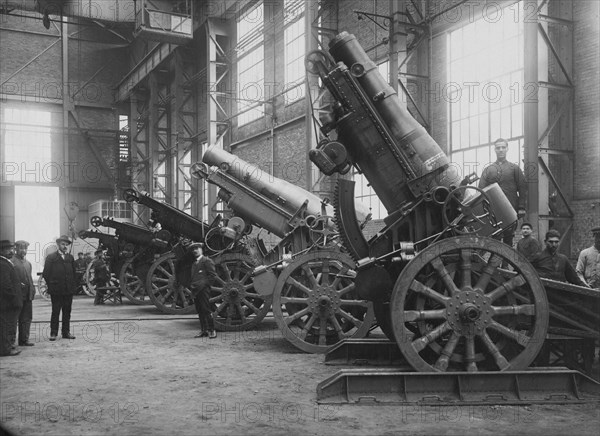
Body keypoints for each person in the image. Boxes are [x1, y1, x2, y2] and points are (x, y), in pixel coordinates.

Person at [478, 138, 528, 247]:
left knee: (508, 238)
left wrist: (521, 207)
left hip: (510, 209)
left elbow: (523, 188)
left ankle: (505, 265)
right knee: (495, 239)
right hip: (493, 212)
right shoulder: (488, 170)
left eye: (503, 147)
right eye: (498, 148)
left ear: (507, 149)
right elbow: (481, 190)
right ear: (494, 150)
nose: (501, 150)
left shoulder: (514, 168)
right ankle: (494, 264)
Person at [42, 235, 77, 341]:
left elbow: (74, 273)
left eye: (66, 244)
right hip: (56, 291)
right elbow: (46, 274)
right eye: (63, 244)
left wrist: (71, 286)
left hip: (68, 291)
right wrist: (53, 285)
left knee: (67, 312)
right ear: (58, 245)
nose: (65, 246)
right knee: (55, 311)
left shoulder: (70, 258)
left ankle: (66, 332)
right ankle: (53, 333)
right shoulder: (51, 257)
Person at [189, 242, 217, 339]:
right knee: (200, 310)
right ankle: (204, 330)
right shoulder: (194, 263)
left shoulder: (207, 261)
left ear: (201, 250)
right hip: (196, 291)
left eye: (197, 248)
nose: (195, 251)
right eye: (193, 249)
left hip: (203, 290)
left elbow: (212, 276)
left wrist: (205, 286)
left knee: (206, 310)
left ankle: (212, 330)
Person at [0, 240, 23, 356]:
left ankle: (8, 347)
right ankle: (6, 349)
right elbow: (5, 285)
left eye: (11, 248)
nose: (11, 251)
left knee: (7, 325)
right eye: (8, 249)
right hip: (8, 303)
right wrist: (14, 298)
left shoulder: (6, 263)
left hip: (7, 302)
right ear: (2, 251)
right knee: (7, 326)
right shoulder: (3, 264)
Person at [12, 240, 36, 347]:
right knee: (13, 320)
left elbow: (29, 278)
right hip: (16, 297)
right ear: (16, 249)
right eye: (21, 248)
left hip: (27, 296)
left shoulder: (28, 264)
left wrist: (32, 290)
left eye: (25, 248)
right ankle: (11, 342)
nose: (24, 251)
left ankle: (24, 340)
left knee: (26, 319)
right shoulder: (11, 262)